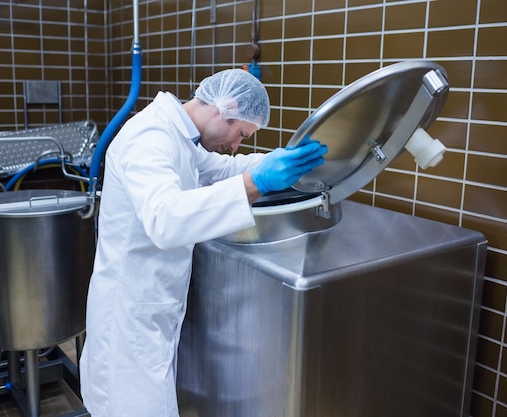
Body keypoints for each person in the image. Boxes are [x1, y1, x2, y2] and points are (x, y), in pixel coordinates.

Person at [79, 68, 327, 417]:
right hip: (129, 319)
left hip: (150, 311)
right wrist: (256, 184)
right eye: (241, 133)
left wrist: (280, 163)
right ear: (226, 107)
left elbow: (223, 169)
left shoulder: (182, 138)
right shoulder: (150, 136)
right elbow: (165, 218)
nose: (237, 144)